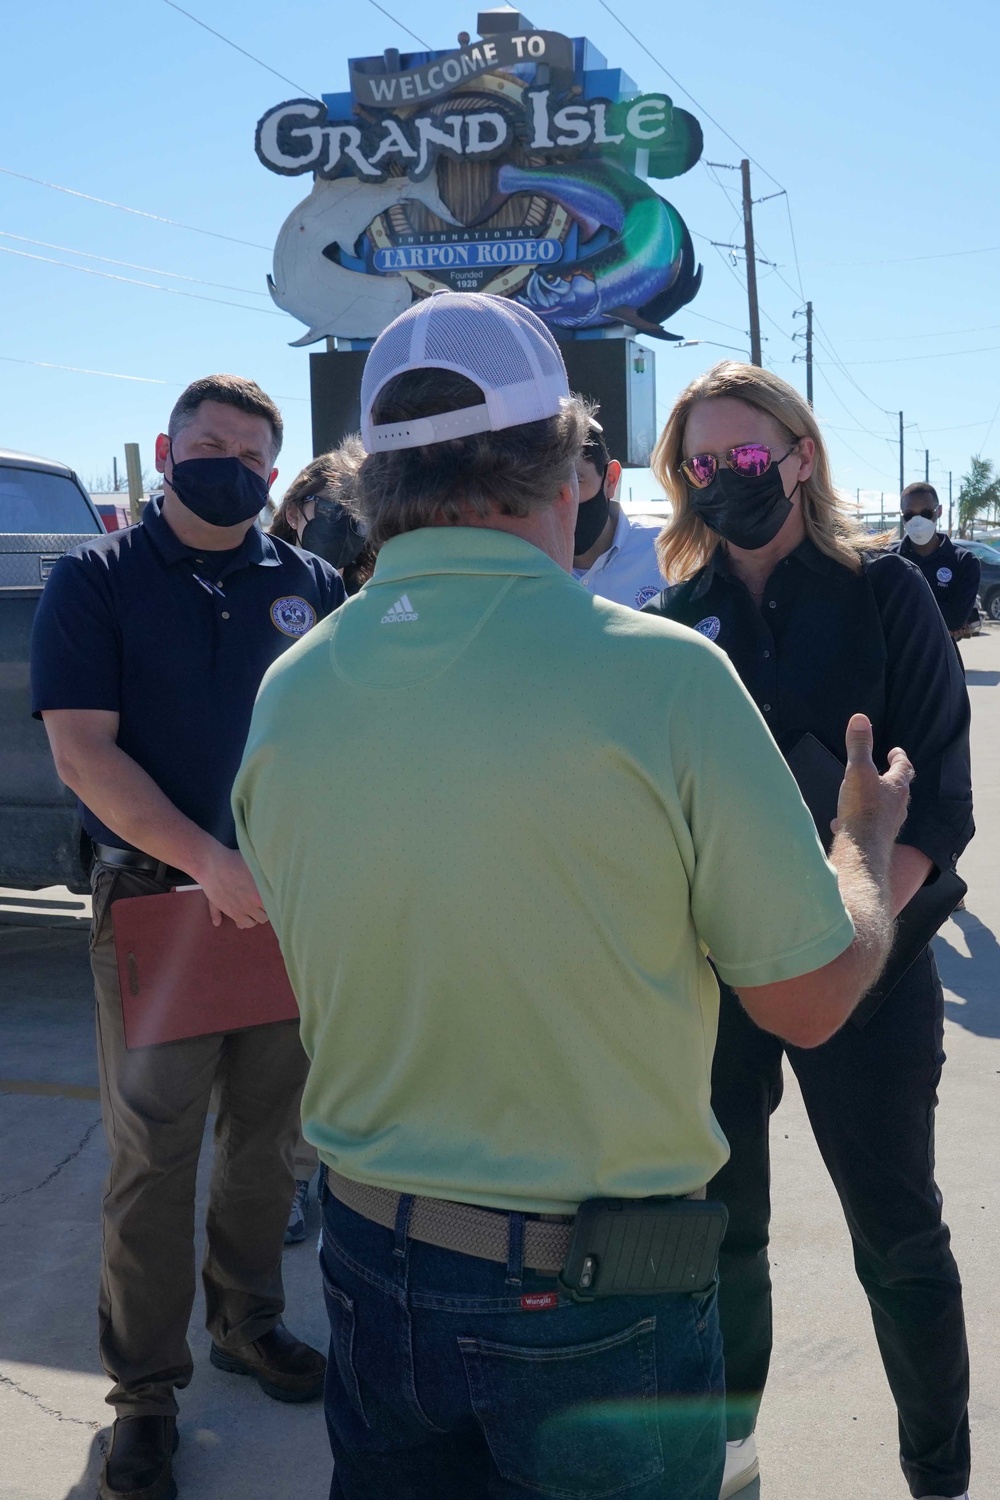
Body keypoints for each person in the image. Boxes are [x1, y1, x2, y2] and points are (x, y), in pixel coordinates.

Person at [233, 292, 914, 1500]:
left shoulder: (294, 689)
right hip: (590, 1296)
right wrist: (859, 848)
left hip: (366, 1262)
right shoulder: (659, 676)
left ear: (371, 482)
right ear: (570, 467)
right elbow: (806, 1001)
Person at [643, 362, 974, 1500]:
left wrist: (854, 932)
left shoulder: (888, 595)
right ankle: (727, 1462)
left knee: (898, 1238)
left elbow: (935, 799)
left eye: (744, 456)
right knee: (721, 1231)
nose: (722, 480)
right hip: (721, 983)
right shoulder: (670, 624)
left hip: (872, 974)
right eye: (700, 463)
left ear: (799, 456)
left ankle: (936, 1471)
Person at [30, 375, 345, 1500]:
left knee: (269, 1146)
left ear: (274, 468)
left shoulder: (307, 583)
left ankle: (248, 1325)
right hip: (163, 904)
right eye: (208, 444)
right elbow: (82, 752)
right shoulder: (96, 579)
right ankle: (145, 1395)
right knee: (154, 1157)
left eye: (253, 454)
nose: (232, 465)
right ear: (167, 450)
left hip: (278, 912)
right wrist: (210, 861)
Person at [268, 437, 375, 1243]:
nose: (341, 529)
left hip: (375, 847)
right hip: (297, 850)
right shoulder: (277, 592)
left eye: (355, 514)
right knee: (286, 1040)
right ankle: (294, 1181)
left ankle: (337, 1171)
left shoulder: (392, 598)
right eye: (326, 512)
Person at [572, 421, 664, 607]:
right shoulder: (524, 569)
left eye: (575, 481)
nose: (562, 500)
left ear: (610, 479)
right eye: (544, 488)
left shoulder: (669, 553)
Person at [269, 438, 376, 597]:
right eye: (329, 509)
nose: (345, 522)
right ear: (293, 514)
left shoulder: (370, 600)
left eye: (357, 514)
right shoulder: (263, 591)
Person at [893, 482, 981, 641]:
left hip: (940, 659)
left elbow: (954, 620)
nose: (917, 521)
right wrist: (941, 610)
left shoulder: (964, 562)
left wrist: (900, 605)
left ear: (938, 511)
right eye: (909, 515)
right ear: (902, 516)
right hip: (893, 661)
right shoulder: (888, 558)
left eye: (926, 513)